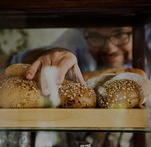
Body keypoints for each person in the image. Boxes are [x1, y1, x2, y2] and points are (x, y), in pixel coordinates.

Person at [10, 25, 151, 146]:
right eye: (96, 36)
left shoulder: (147, 33)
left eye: (120, 34)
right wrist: (51, 54)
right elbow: (22, 59)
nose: (109, 48)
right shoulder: (77, 37)